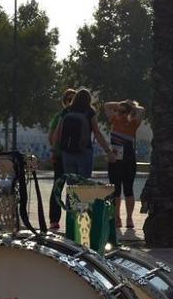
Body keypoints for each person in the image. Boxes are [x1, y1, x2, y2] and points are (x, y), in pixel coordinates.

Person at [104, 99, 145, 228]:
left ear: (129, 112)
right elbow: (106, 105)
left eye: (123, 112)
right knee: (115, 190)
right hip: (115, 159)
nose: (119, 113)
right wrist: (121, 104)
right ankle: (117, 218)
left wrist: (130, 106)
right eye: (118, 111)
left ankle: (129, 218)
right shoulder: (114, 120)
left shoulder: (133, 123)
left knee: (128, 189)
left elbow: (142, 110)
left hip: (128, 159)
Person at [54, 88, 113, 179]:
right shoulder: (89, 112)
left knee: (71, 184)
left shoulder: (66, 111)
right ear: (89, 100)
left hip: (67, 152)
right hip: (84, 151)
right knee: (84, 184)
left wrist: (54, 151)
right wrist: (108, 151)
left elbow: (57, 132)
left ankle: (71, 194)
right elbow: (97, 133)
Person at [47, 88, 76, 230]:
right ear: (64, 102)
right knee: (58, 187)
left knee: (72, 188)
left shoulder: (77, 115)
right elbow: (52, 136)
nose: (71, 102)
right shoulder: (60, 116)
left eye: (74, 99)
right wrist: (53, 151)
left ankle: (71, 219)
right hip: (61, 156)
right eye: (69, 99)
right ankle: (54, 219)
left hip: (73, 155)